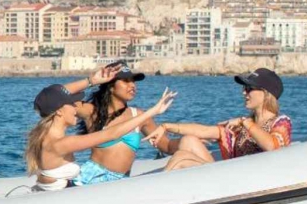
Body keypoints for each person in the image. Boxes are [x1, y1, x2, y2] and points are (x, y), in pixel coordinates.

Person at [26, 83, 176, 190]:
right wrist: (152, 111)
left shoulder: (46, 137)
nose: (75, 108)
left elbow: (48, 97)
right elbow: (111, 134)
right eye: (71, 104)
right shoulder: (60, 143)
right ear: (59, 111)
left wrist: (92, 80)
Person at [75, 65, 213, 181]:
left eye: (133, 81)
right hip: (92, 178)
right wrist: (91, 81)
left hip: (121, 181)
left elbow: (166, 146)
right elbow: (62, 98)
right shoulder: (91, 111)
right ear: (110, 86)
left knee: (189, 142)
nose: (132, 85)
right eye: (126, 81)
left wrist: (186, 140)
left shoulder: (139, 116)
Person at [162, 68, 292, 162]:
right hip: (231, 178)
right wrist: (166, 126)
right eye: (244, 88)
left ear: (266, 94)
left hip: (253, 179)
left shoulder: (281, 122)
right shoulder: (241, 126)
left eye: (249, 89)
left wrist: (245, 122)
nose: (244, 93)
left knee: (180, 158)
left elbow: (272, 146)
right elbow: (204, 131)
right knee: (188, 141)